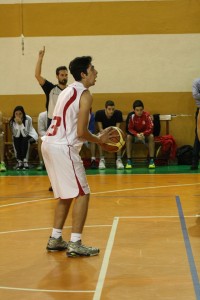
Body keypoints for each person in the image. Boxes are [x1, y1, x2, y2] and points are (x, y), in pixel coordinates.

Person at [41, 56, 114, 257]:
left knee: (67, 194)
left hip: (49, 144)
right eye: (92, 68)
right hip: (63, 147)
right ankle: (75, 243)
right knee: (82, 193)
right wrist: (100, 140)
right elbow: (81, 132)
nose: (96, 72)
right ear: (83, 74)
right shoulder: (85, 94)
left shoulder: (67, 91)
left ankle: (56, 238)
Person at [35, 46, 68, 128]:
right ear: (57, 76)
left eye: (66, 75)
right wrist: (40, 58)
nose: (64, 77)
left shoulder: (71, 90)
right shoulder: (50, 88)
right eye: (62, 75)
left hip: (66, 121)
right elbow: (37, 75)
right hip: (53, 121)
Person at [125, 99, 155, 169]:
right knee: (128, 137)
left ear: (143, 109)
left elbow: (151, 128)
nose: (139, 112)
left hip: (144, 136)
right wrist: (136, 134)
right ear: (134, 110)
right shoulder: (131, 116)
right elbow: (129, 129)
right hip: (135, 136)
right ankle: (129, 161)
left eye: (141, 110)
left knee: (151, 136)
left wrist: (143, 134)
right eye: (137, 110)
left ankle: (151, 160)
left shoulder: (147, 115)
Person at [95, 100, 124, 169]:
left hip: (114, 133)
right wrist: (105, 135)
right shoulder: (99, 113)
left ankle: (119, 159)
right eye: (109, 109)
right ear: (105, 108)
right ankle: (102, 159)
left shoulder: (118, 113)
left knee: (119, 138)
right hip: (104, 133)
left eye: (113, 109)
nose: (111, 111)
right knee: (99, 137)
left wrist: (112, 135)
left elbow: (117, 129)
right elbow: (100, 129)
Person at [191, 78, 200, 169]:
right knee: (198, 135)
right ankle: (194, 162)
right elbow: (195, 95)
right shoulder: (197, 82)